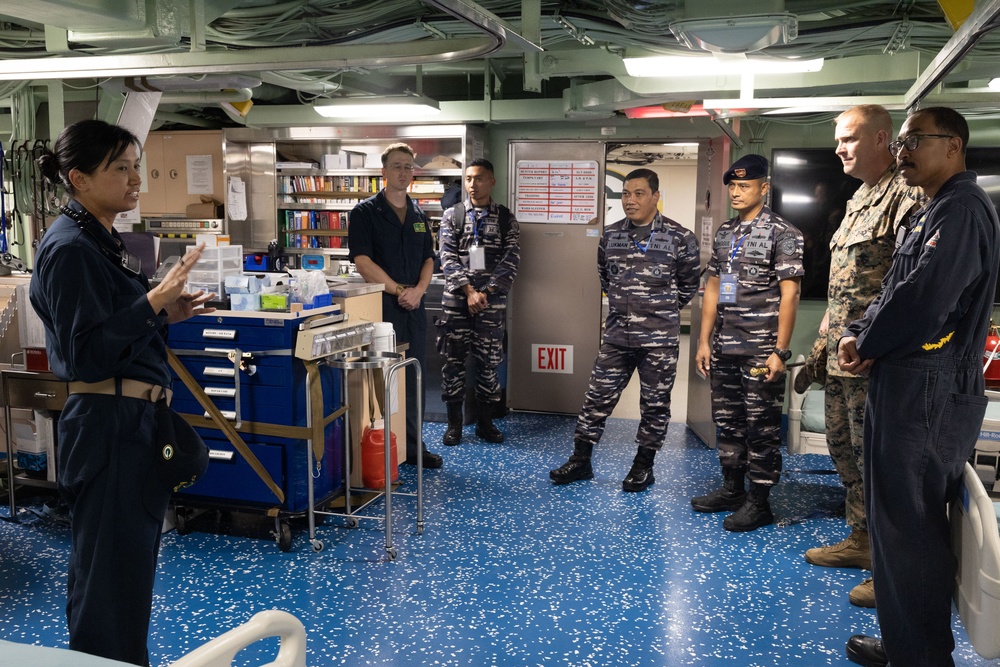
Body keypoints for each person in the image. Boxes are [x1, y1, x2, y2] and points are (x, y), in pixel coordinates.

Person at [29, 119, 215, 665]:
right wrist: (154, 301)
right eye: (120, 168)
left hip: (130, 424)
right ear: (79, 178)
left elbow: (115, 328)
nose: (136, 179)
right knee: (108, 582)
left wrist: (165, 311)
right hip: (107, 425)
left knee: (126, 577)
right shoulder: (69, 250)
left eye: (137, 166)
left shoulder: (99, 240)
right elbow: (86, 354)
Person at [840, 108, 1000, 667]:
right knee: (896, 522)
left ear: (952, 145)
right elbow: (895, 287)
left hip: (928, 388)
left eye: (914, 141)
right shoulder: (933, 209)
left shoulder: (961, 210)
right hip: (906, 381)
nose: (902, 151)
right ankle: (909, 642)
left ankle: (922, 657)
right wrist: (861, 332)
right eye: (901, 141)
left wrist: (869, 342)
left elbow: (927, 300)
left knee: (911, 526)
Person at [799, 105, 922, 608]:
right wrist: (817, 349)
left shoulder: (907, 195)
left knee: (881, 462)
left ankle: (890, 567)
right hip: (839, 357)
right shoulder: (859, 198)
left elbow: (910, 284)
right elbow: (841, 290)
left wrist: (874, 342)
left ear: (881, 139)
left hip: (874, 358)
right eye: (837, 139)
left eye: (849, 138)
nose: (839, 148)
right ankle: (861, 541)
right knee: (846, 454)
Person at [549, 168, 699, 492]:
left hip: (658, 340)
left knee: (655, 404)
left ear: (656, 196)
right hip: (617, 336)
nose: (630, 200)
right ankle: (581, 460)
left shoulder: (679, 237)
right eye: (626, 194)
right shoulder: (611, 235)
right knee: (596, 398)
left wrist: (657, 311)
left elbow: (688, 285)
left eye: (639, 193)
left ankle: (643, 466)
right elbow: (606, 277)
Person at [691, 154, 804, 532]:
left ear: (764, 188)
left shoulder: (783, 233)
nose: (736, 193)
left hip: (759, 349)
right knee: (729, 422)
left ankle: (760, 502)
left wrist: (780, 351)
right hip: (724, 345)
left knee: (762, 427)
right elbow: (711, 287)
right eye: (733, 186)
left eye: (744, 186)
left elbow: (790, 295)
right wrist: (704, 341)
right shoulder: (726, 233)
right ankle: (732, 489)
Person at [348, 142, 443, 468]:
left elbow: (429, 259)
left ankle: (414, 448)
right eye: (397, 166)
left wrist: (418, 291)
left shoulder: (419, 214)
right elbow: (362, 261)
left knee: (413, 377)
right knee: (383, 379)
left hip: (413, 307)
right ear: (384, 171)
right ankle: (385, 447)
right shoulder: (364, 213)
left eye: (408, 167)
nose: (403, 172)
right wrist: (400, 289)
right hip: (383, 307)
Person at [437, 158, 520, 445]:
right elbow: (446, 257)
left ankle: (485, 423)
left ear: (492, 181)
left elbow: (511, 260)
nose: (473, 184)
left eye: (480, 178)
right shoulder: (452, 215)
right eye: (469, 178)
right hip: (457, 304)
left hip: (490, 305)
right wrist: (468, 291)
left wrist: (485, 292)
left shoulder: (507, 219)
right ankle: (454, 424)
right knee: (453, 362)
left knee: (488, 364)